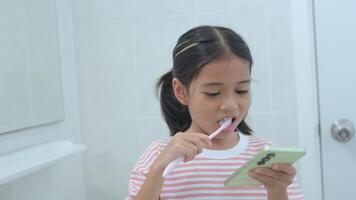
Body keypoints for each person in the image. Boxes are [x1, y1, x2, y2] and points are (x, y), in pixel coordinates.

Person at [127, 25, 304, 200]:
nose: (231, 106)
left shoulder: (265, 155)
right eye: (213, 93)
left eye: (241, 90)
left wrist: (278, 192)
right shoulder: (159, 155)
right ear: (181, 91)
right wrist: (158, 170)